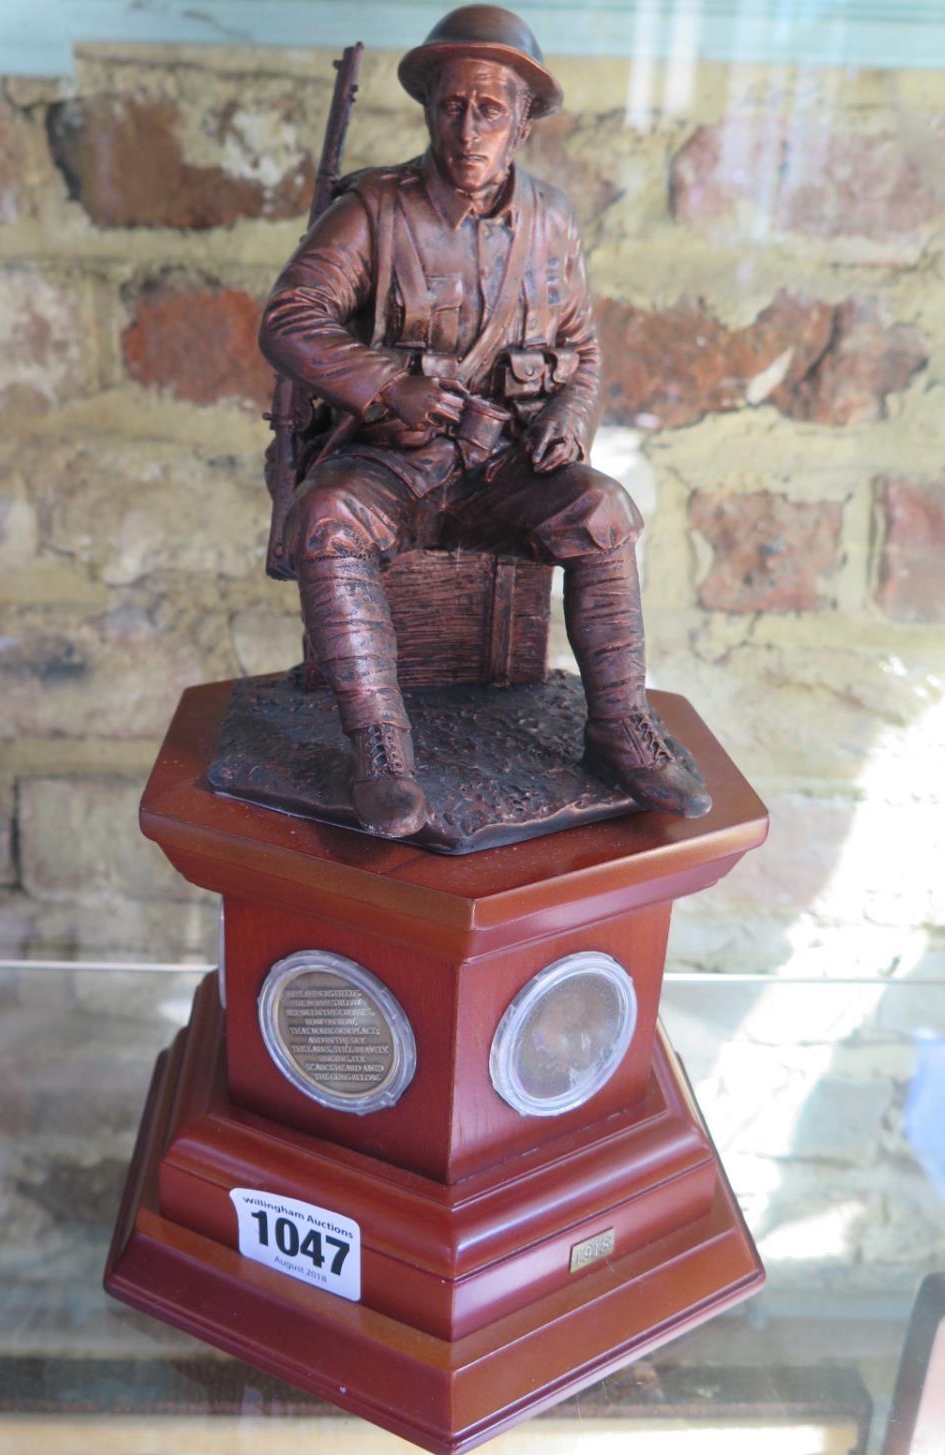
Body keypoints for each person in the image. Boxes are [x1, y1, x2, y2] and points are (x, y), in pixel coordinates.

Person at [259, 5, 710, 837]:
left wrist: (569, 421)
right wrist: (389, 388)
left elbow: (582, 349)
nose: (467, 129)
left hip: (503, 468)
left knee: (603, 510)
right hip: (390, 461)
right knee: (326, 518)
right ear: (429, 111)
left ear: (523, 126)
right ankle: (382, 751)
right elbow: (290, 319)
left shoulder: (551, 223)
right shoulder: (371, 212)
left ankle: (618, 727)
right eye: (450, 107)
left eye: (490, 110)